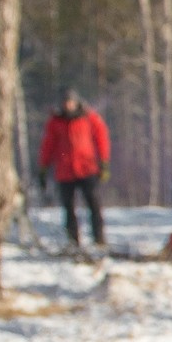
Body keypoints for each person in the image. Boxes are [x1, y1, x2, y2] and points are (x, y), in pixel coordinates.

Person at [38, 90, 112, 249]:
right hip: (65, 170)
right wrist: (44, 167)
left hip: (87, 168)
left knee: (94, 204)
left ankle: (99, 239)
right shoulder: (55, 122)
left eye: (70, 102)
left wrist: (104, 161)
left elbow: (102, 137)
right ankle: (73, 241)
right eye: (65, 102)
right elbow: (48, 146)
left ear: (76, 102)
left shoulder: (88, 117)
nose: (68, 105)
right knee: (69, 207)